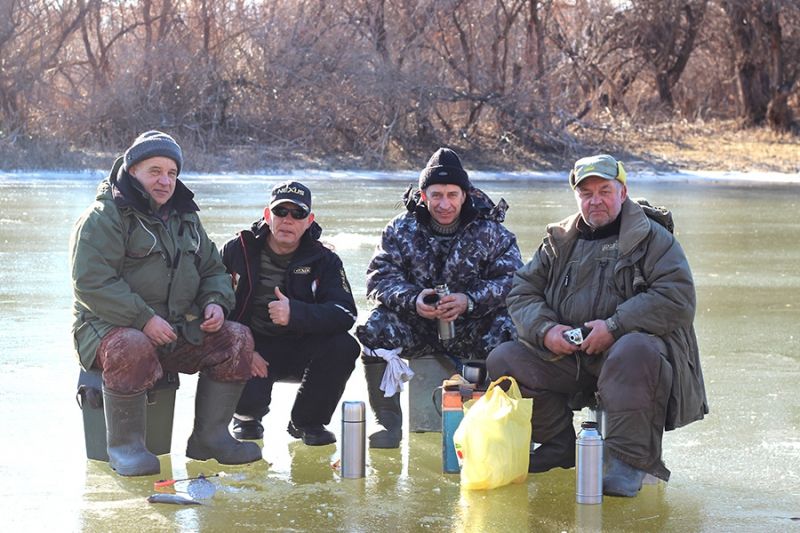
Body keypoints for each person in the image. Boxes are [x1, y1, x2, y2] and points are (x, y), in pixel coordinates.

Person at [487, 154, 708, 497]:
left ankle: (629, 460)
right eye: (586, 193)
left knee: (633, 348)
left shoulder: (653, 239)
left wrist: (615, 326)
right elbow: (522, 291)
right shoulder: (558, 241)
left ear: (623, 192)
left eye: (605, 190)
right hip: (572, 358)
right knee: (504, 359)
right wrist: (547, 331)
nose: (596, 200)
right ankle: (557, 444)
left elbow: (676, 299)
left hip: (633, 363)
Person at [70, 131, 266, 477]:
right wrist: (143, 319)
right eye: (154, 171)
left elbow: (213, 270)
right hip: (108, 332)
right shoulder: (104, 216)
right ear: (133, 172)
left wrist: (216, 303)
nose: (164, 181)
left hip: (174, 329)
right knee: (132, 343)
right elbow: (92, 283)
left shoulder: (186, 218)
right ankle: (125, 447)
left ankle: (210, 438)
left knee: (237, 339)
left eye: (171, 173)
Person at [356, 147, 523, 448]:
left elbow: (514, 282)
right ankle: (388, 423)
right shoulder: (399, 229)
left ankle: (501, 423)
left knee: (511, 329)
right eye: (436, 195)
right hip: (417, 325)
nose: (444, 204)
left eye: (451, 195)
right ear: (423, 196)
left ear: (465, 195)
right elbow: (378, 279)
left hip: (474, 325)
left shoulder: (492, 232)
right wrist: (414, 300)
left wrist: (469, 300)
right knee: (373, 328)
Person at [221, 181, 360, 446]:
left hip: (301, 346)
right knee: (222, 347)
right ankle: (246, 418)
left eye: (297, 214)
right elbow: (212, 305)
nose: (288, 220)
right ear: (267, 215)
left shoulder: (325, 259)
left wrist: (295, 313)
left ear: (309, 220)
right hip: (253, 347)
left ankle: (307, 422)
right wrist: (243, 347)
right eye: (280, 212)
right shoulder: (237, 249)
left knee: (344, 345)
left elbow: (345, 314)